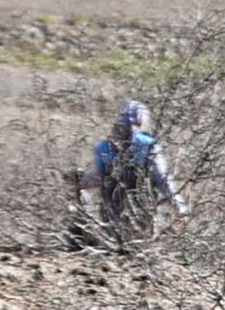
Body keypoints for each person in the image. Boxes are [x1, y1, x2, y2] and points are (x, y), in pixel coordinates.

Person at [75, 99, 186, 241]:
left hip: (112, 226)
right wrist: (180, 208)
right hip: (143, 225)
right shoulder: (149, 147)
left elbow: (96, 178)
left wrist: (79, 182)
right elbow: (164, 181)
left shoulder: (105, 148)